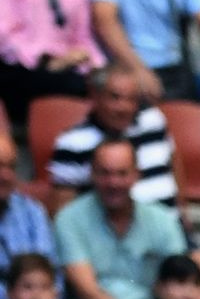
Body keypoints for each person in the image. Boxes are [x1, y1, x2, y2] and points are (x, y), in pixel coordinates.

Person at [55, 138, 189, 299]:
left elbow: (179, 279)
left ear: (137, 174)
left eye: (122, 173)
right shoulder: (70, 219)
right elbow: (88, 293)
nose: (113, 182)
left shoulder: (162, 220)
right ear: (92, 174)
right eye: (105, 173)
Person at [0, 0, 101, 132]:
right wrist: (49, 60)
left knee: (115, 87)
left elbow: (83, 38)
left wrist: (97, 67)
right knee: (70, 85)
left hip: (67, 69)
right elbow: (5, 35)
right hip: (20, 67)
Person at [46, 62, 175, 205]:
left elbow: (172, 161)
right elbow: (63, 208)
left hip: (169, 222)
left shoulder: (153, 120)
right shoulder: (72, 143)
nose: (124, 108)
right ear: (95, 95)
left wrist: (181, 211)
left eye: (132, 99)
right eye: (115, 98)